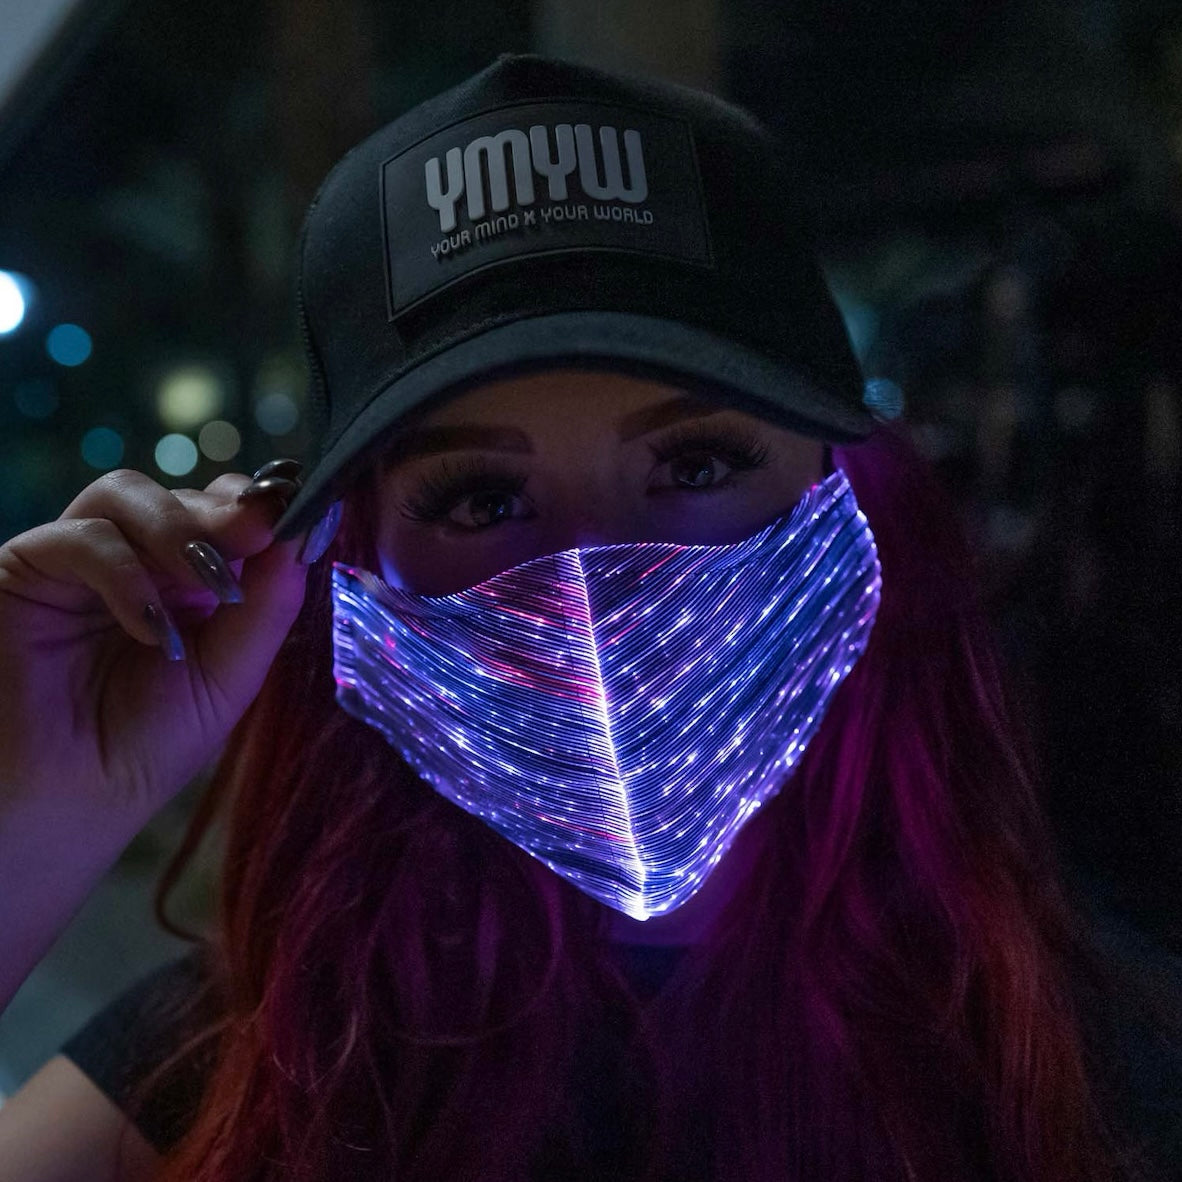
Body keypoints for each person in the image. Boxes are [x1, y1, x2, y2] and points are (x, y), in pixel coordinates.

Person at [0, 53, 1179, 1182]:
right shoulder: (263, 1058)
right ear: (352, 567)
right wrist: (38, 810)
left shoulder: (1082, 1065)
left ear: (850, 498)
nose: (595, 596)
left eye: (698, 463)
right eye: (481, 497)